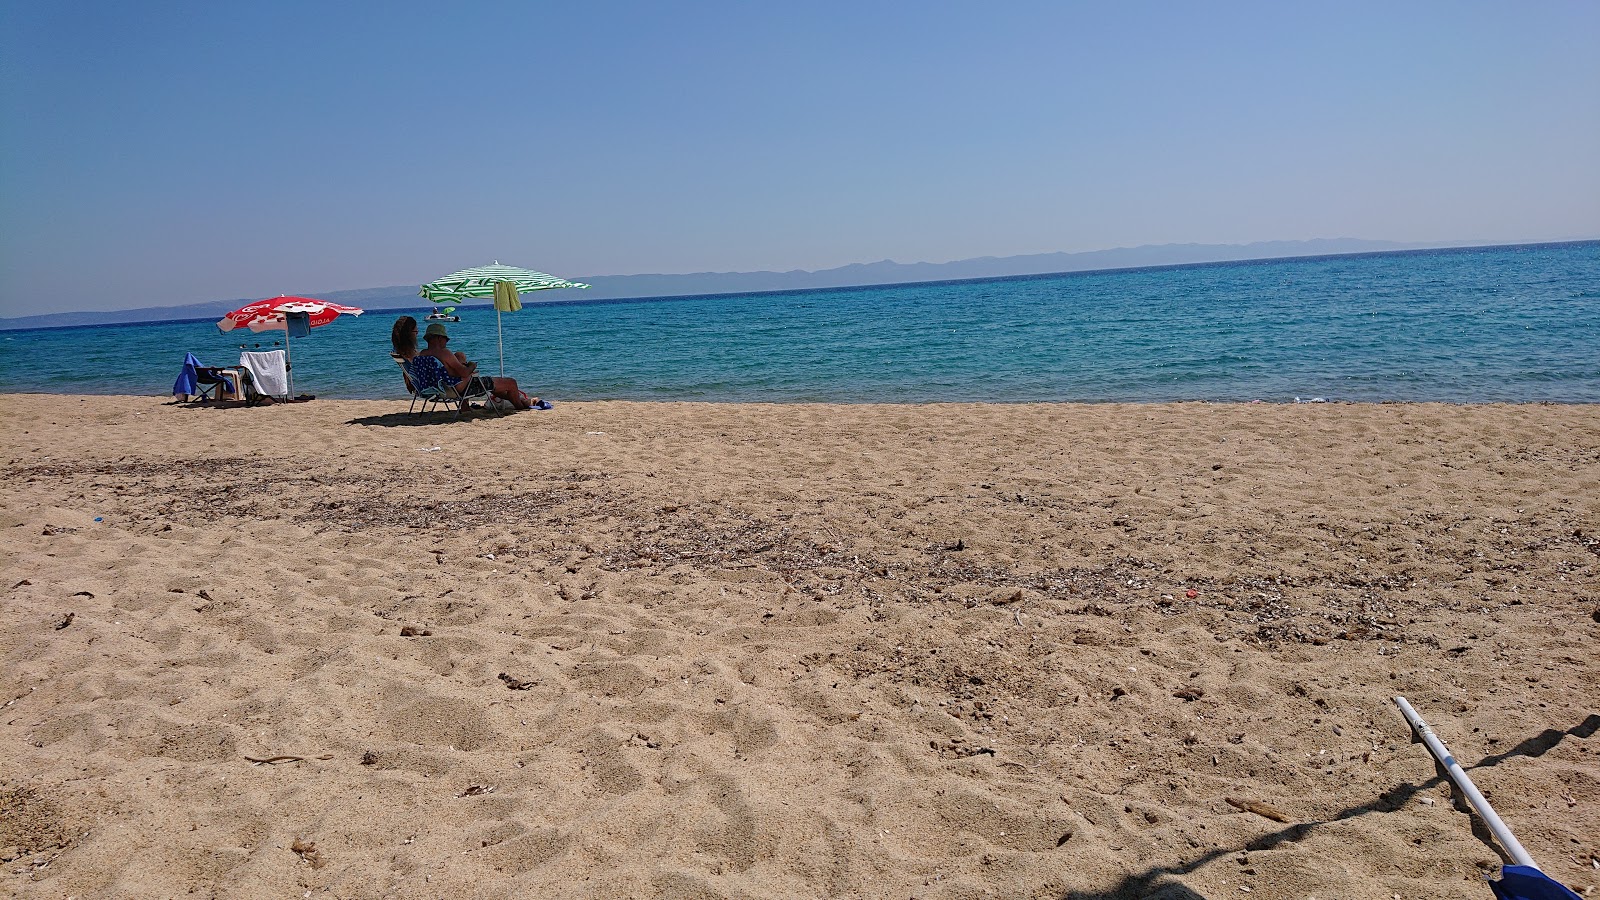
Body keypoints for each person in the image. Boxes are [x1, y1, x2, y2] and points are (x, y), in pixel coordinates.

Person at [392, 317, 536, 410]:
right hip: (460, 389)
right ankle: (521, 407)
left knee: (497, 388)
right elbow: (464, 373)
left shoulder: (421, 355)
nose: (446, 342)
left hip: (439, 389)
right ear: (437, 338)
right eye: (445, 338)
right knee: (511, 383)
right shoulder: (444, 353)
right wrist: (472, 366)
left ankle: (523, 401)